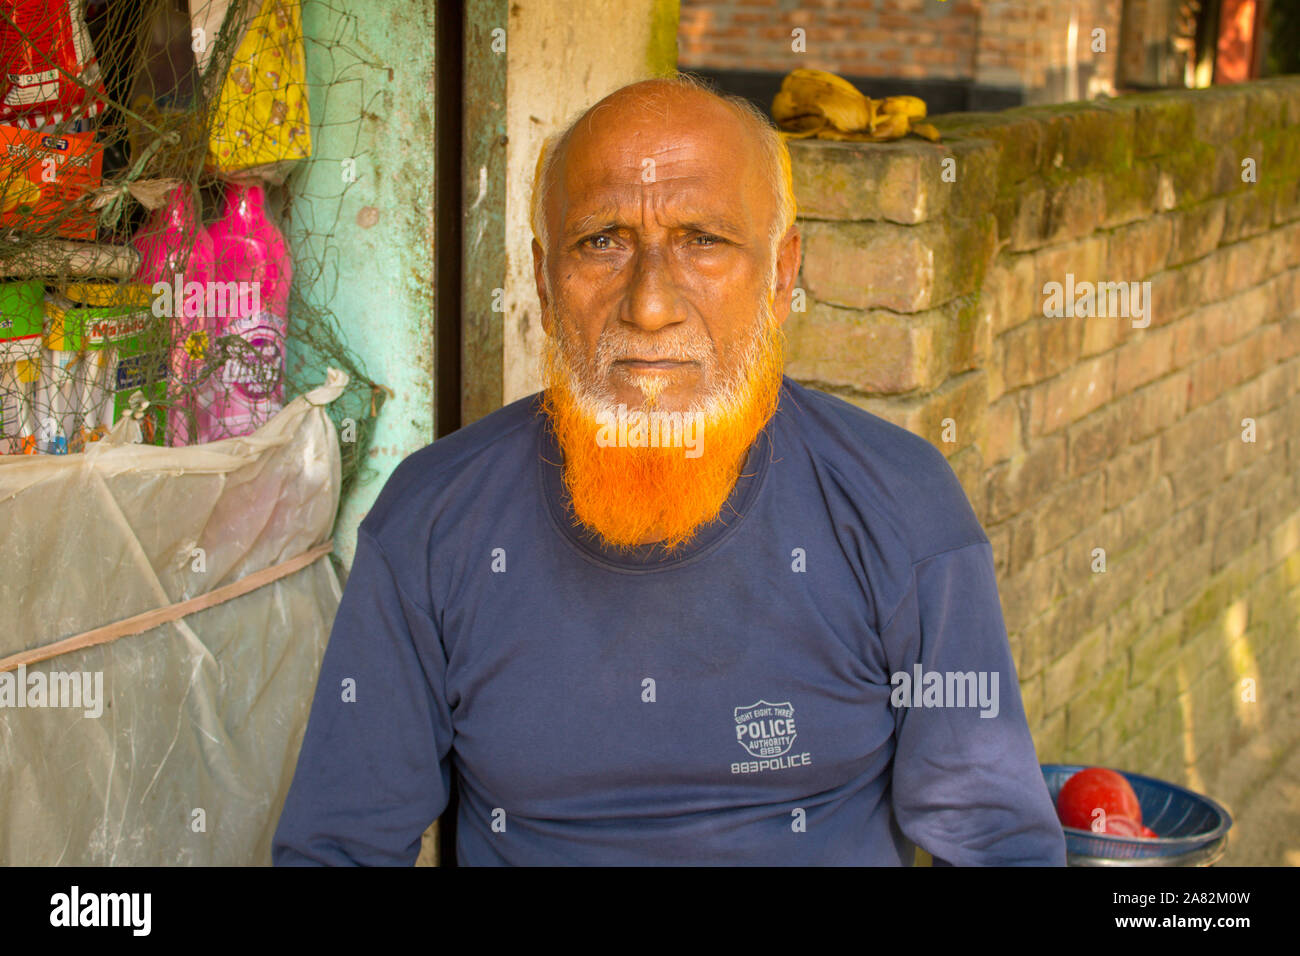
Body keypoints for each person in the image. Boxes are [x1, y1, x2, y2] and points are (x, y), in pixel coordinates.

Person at [272, 73, 1066, 866]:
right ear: (546, 285)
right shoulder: (433, 520)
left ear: (782, 274)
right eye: (603, 242)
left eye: (703, 240)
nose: (650, 305)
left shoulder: (902, 506)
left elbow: (999, 842)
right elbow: (338, 847)